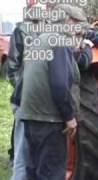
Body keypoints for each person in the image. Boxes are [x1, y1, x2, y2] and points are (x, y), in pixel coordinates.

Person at [16, 4, 89, 180]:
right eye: (78, 23)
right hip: (49, 121)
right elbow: (59, 85)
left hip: (30, 118)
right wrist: (70, 117)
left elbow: (25, 77)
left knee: (34, 172)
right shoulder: (60, 41)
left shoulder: (40, 40)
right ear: (68, 21)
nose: (80, 29)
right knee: (51, 173)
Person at [6, 13, 40, 180]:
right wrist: (22, 87)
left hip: (42, 95)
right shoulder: (22, 30)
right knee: (21, 130)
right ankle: (15, 158)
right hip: (24, 92)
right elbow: (12, 66)